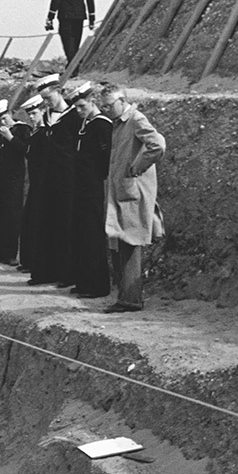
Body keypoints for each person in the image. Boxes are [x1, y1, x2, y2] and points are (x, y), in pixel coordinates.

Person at [99, 83, 166, 313]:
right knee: (119, 243)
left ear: (121, 101)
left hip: (131, 193)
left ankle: (130, 300)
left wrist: (137, 168)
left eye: (109, 105)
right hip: (120, 191)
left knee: (130, 244)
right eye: (103, 106)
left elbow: (157, 145)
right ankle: (125, 297)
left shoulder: (136, 119)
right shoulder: (119, 123)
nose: (106, 110)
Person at [28, 75, 77, 286]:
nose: (46, 102)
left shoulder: (73, 116)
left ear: (59, 91)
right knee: (46, 225)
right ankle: (45, 271)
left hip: (66, 179)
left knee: (65, 226)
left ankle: (66, 274)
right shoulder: (47, 117)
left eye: (48, 97)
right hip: (46, 179)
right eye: (43, 99)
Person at [69, 82, 113, 298]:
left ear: (93, 102)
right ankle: (84, 280)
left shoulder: (101, 124)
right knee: (81, 233)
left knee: (92, 234)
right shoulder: (86, 124)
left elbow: (105, 159)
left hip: (93, 186)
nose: (78, 111)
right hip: (81, 185)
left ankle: (97, 285)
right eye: (76, 107)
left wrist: (98, 178)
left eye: (82, 106)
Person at [0, 99, 29, 265]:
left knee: (11, 214)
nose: (3, 123)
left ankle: (10, 254)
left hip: (14, 178)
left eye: (5, 118)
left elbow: (24, 150)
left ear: (11, 114)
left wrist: (10, 137)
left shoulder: (23, 129)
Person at [17, 95, 47, 274]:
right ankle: (28, 261)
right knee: (29, 221)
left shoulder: (44, 133)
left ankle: (35, 262)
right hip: (35, 181)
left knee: (36, 222)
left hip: (42, 182)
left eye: (35, 113)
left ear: (43, 111)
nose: (33, 118)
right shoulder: (36, 132)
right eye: (30, 115)